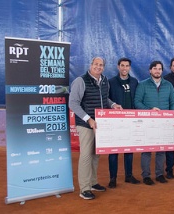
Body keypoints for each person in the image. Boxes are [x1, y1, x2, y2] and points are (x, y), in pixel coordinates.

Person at [69, 57, 122, 200]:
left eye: (101, 65)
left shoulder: (104, 81)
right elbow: (73, 103)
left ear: (104, 67)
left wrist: (113, 105)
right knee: (86, 155)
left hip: (100, 124)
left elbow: (105, 99)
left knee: (96, 154)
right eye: (96, 64)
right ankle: (84, 188)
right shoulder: (81, 81)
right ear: (91, 65)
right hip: (85, 124)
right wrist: (89, 119)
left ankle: (92, 183)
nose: (98, 67)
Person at [134, 60, 174, 185]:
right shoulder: (142, 84)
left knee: (161, 150)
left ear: (162, 71)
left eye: (159, 69)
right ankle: (146, 176)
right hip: (147, 122)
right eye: (155, 68)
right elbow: (137, 102)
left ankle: (159, 174)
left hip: (164, 123)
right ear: (150, 70)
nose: (157, 71)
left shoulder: (168, 85)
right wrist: (149, 110)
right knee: (147, 150)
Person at [107, 57, 140, 188]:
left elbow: (137, 99)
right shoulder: (111, 82)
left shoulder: (134, 82)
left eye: (127, 66)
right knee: (113, 151)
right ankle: (113, 178)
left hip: (130, 121)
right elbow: (106, 99)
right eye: (122, 65)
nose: (124, 68)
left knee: (129, 150)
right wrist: (113, 105)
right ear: (118, 67)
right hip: (115, 121)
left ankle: (128, 175)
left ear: (129, 68)